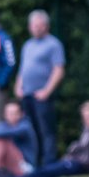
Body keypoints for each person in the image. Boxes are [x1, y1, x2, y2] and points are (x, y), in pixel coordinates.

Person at [1, 101, 89, 177]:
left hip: (81, 165)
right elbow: (81, 146)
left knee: (44, 172)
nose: (87, 120)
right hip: (73, 161)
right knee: (44, 171)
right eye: (85, 117)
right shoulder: (87, 130)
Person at [16, 9, 66, 165]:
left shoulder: (53, 44)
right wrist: (18, 86)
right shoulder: (28, 45)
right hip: (27, 95)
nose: (36, 28)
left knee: (46, 131)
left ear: (46, 26)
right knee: (31, 131)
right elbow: (23, 68)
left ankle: (49, 163)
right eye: (33, 25)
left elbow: (58, 69)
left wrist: (47, 91)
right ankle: (33, 162)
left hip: (42, 95)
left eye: (39, 25)